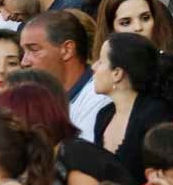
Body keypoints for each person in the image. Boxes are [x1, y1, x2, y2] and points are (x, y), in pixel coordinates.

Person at [92, 32, 173, 184]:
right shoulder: (103, 115)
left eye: (101, 62)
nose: (93, 66)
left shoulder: (155, 113)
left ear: (117, 73)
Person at [20, 11, 110, 142]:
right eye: (24, 51)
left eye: (33, 50)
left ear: (67, 50)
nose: (24, 62)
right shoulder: (44, 99)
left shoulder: (98, 97)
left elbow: (81, 159)